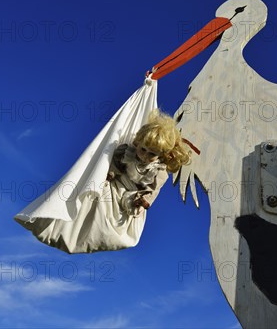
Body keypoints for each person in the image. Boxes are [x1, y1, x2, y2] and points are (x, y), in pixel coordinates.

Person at [16, 108, 192, 254]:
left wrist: (144, 201)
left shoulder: (159, 171)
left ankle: (113, 216)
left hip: (134, 193)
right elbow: (114, 162)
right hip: (117, 184)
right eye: (143, 150)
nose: (145, 156)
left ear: (161, 155)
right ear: (137, 144)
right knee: (92, 198)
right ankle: (59, 226)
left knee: (126, 205)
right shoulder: (128, 152)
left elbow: (154, 190)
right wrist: (110, 174)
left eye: (152, 154)